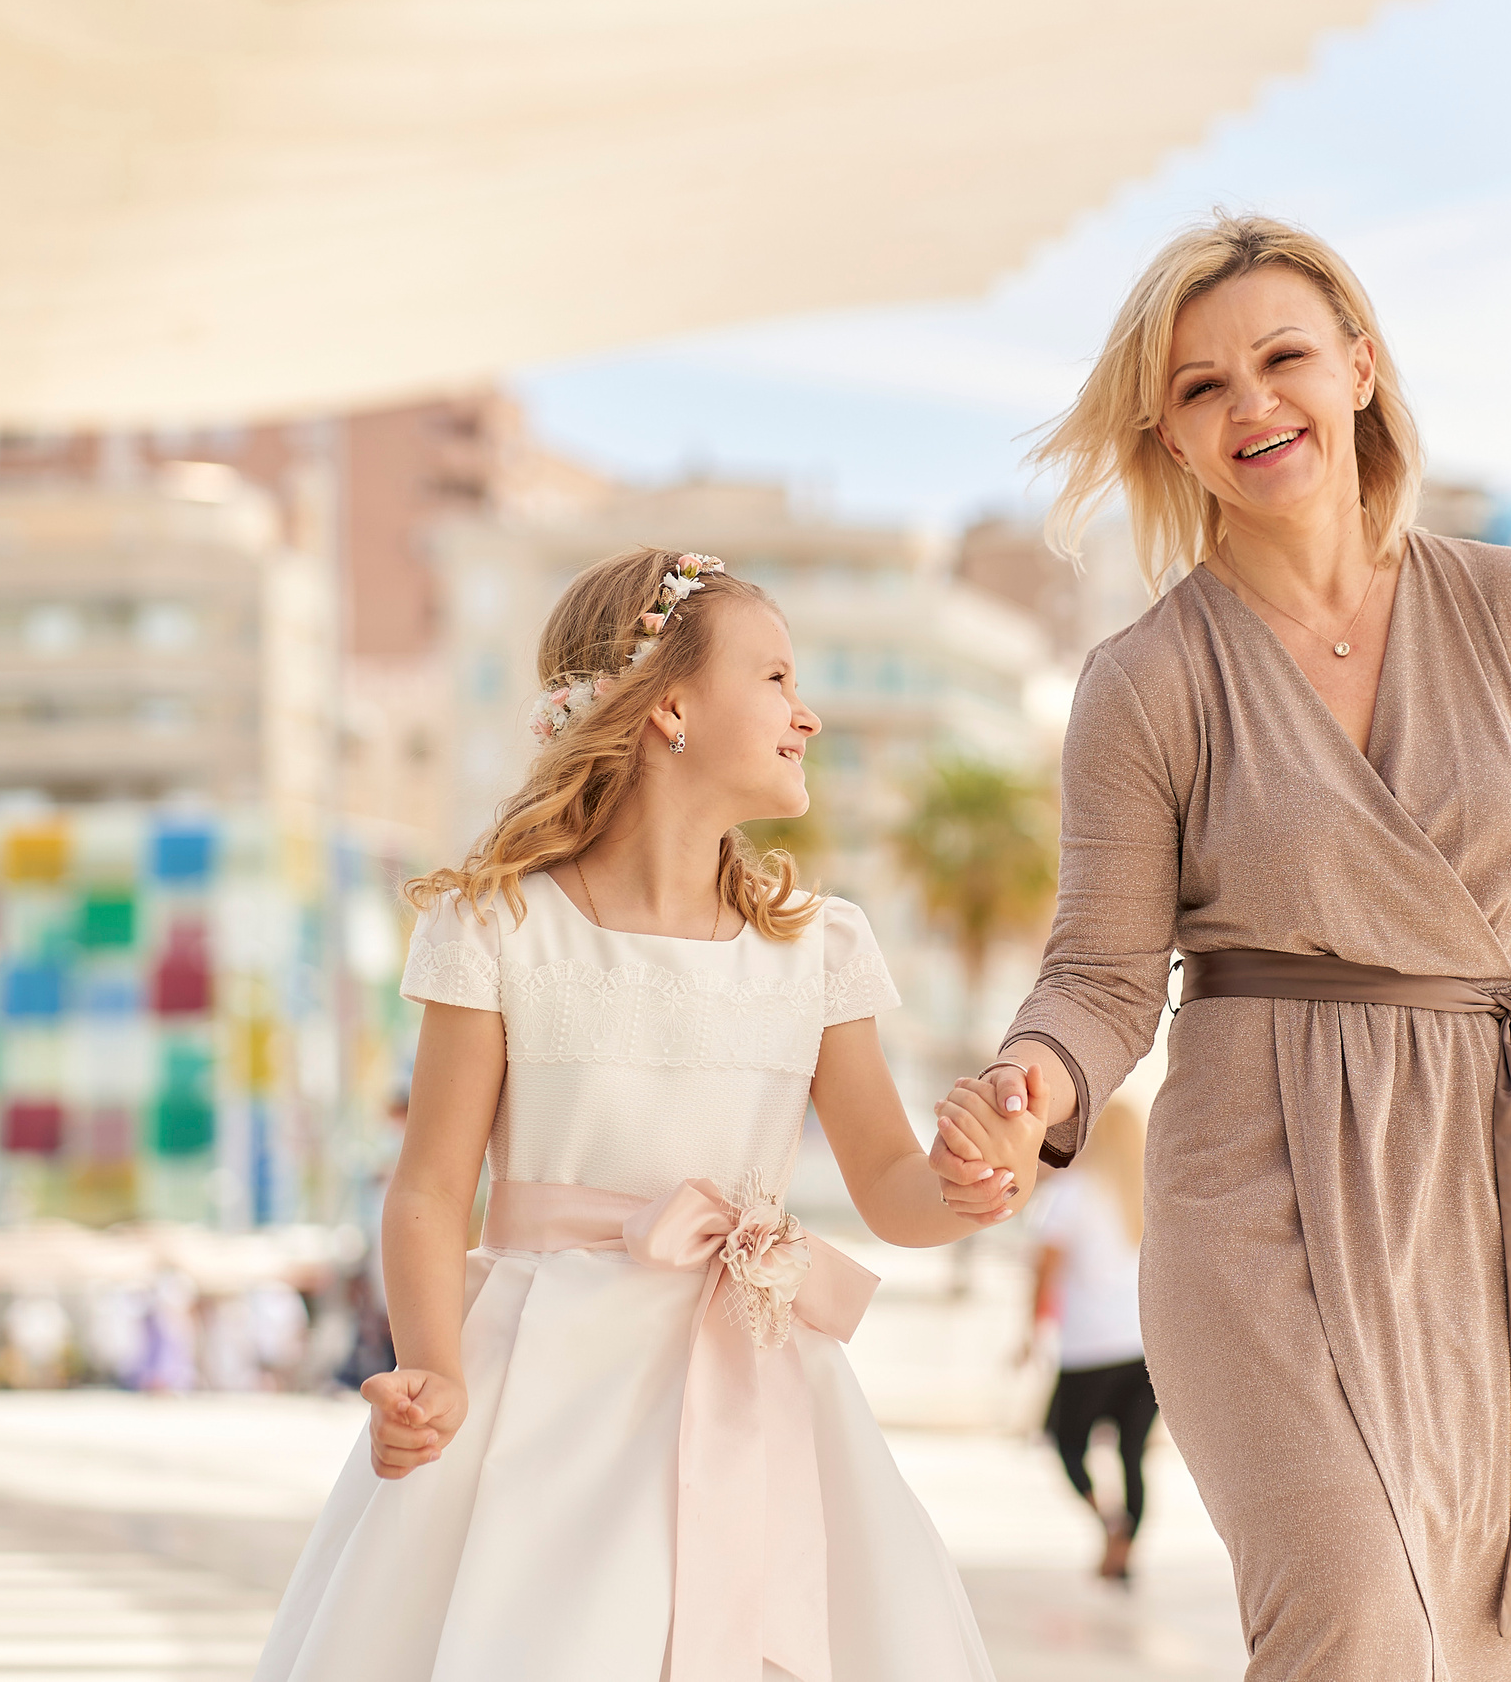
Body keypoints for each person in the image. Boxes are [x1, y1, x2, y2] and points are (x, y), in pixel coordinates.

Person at [931, 214, 1511, 1680]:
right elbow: (1103, 973)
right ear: (1169, 439)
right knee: (1351, 1618)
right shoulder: (1146, 681)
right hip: (1260, 1186)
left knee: (1480, 1638)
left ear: (1360, 370)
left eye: (1284, 358)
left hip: (1487, 1180)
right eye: (1198, 387)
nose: (1252, 404)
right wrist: (1028, 1087)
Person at [255, 551, 1042, 1682]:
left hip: (759, 1373)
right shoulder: (500, 928)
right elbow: (431, 1184)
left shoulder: (819, 949)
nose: (807, 713)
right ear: (670, 705)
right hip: (541, 1385)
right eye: (773, 678)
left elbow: (890, 1184)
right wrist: (432, 1366)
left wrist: (972, 1183)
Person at [1028, 1095, 1154, 1582]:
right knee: (1132, 1454)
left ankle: (1108, 1526)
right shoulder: (1150, 1193)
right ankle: (1124, 1546)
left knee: (1065, 1442)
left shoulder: (1072, 1193)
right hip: (1143, 1348)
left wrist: (1032, 1331)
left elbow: (1044, 1269)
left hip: (1088, 1348)